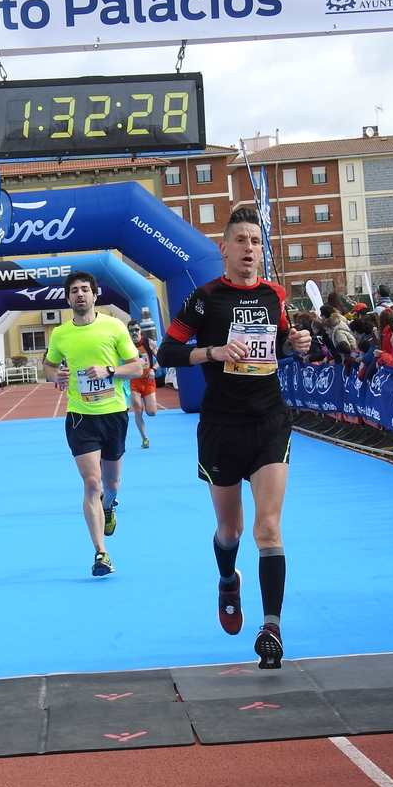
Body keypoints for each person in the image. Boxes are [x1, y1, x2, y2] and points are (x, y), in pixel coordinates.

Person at [156, 206, 312, 669]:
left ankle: (272, 629)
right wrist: (213, 352)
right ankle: (228, 579)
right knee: (232, 530)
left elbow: (279, 342)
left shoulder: (273, 296)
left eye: (256, 241)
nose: (249, 249)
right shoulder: (203, 299)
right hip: (221, 426)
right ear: (224, 249)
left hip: (268, 421)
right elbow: (167, 351)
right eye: (240, 241)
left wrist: (296, 345)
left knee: (268, 527)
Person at [43, 272, 144, 576]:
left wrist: (110, 370)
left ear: (95, 295)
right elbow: (48, 365)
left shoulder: (113, 326)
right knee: (92, 483)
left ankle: (109, 506)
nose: (80, 295)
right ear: (68, 298)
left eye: (85, 289)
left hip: (113, 414)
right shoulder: (60, 334)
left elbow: (137, 366)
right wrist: (54, 376)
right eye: (74, 291)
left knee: (111, 485)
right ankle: (101, 553)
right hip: (80, 416)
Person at [126, 320, 159, 449]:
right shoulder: (126, 345)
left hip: (148, 381)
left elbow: (161, 358)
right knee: (138, 410)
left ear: (140, 331)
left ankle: (147, 404)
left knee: (152, 412)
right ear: (128, 332)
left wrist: (153, 369)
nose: (134, 333)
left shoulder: (148, 343)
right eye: (131, 330)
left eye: (136, 330)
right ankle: (144, 438)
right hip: (134, 381)